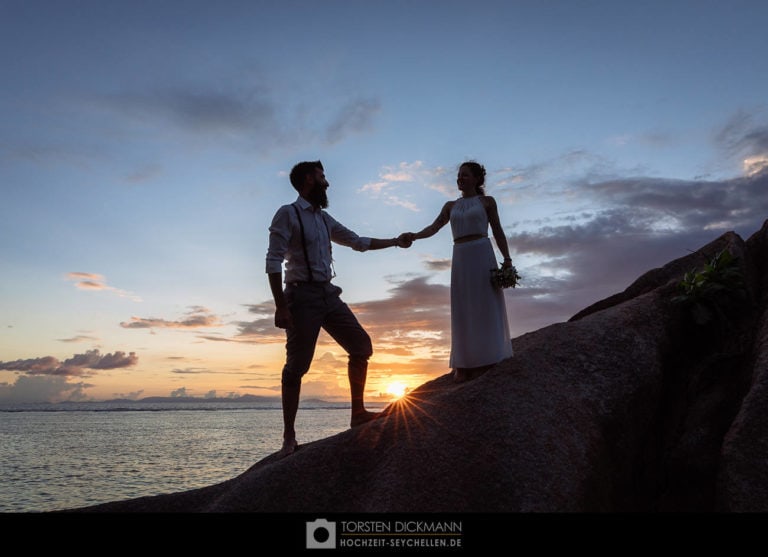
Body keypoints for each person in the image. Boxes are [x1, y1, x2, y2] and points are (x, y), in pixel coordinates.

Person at [266, 160, 411, 457]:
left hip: (328, 295)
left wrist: (395, 242)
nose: (327, 183)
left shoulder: (323, 218)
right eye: (322, 177)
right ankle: (289, 436)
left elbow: (357, 241)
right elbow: (272, 261)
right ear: (308, 180)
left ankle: (357, 413)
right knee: (297, 368)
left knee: (361, 346)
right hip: (301, 296)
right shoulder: (288, 213)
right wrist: (281, 307)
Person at [401, 161, 514, 383]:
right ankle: (463, 364)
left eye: (465, 175)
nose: (460, 179)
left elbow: (498, 230)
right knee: (463, 306)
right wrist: (414, 235)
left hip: (482, 253)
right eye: (459, 175)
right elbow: (433, 228)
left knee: (485, 304)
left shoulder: (487, 202)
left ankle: (489, 357)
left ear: (477, 179)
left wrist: (507, 259)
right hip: (461, 255)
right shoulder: (450, 206)